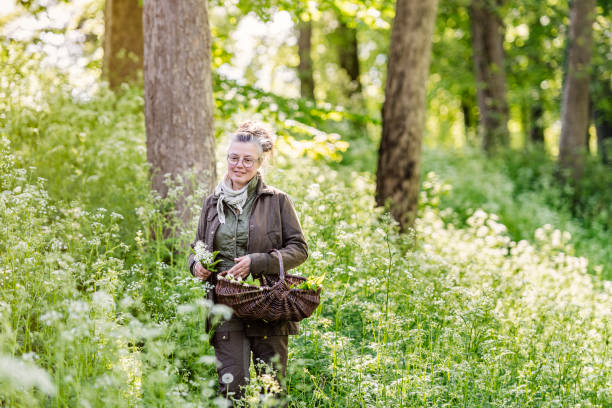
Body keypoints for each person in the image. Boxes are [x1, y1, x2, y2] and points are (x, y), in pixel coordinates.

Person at [187, 121, 308, 406]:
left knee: (272, 393)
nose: (239, 165)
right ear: (226, 158)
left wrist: (257, 262)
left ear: (259, 162)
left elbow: (299, 249)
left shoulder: (277, 201)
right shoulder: (211, 203)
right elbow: (198, 247)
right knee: (231, 391)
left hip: (269, 304)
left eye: (247, 160)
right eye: (233, 158)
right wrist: (195, 265)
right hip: (226, 308)